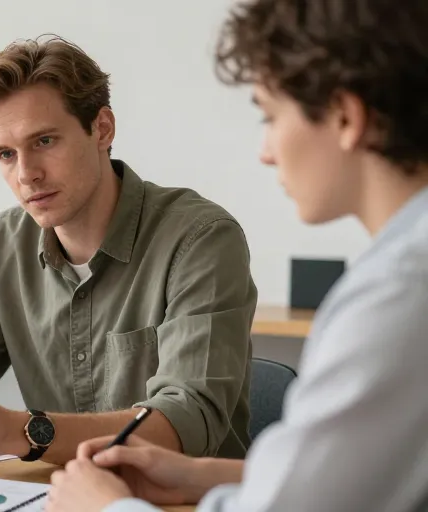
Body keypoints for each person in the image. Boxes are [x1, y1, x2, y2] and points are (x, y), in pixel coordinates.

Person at [45, 0, 428, 511]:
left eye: (270, 117)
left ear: (344, 116)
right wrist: (198, 475)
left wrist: (105, 507)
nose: (265, 151)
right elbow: (343, 476)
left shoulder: (400, 292)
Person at [0, 35, 259, 465]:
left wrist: (19, 431)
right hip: (56, 495)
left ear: (102, 128)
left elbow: (187, 419)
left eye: (44, 141)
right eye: (6, 154)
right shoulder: (4, 243)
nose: (26, 174)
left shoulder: (201, 238)